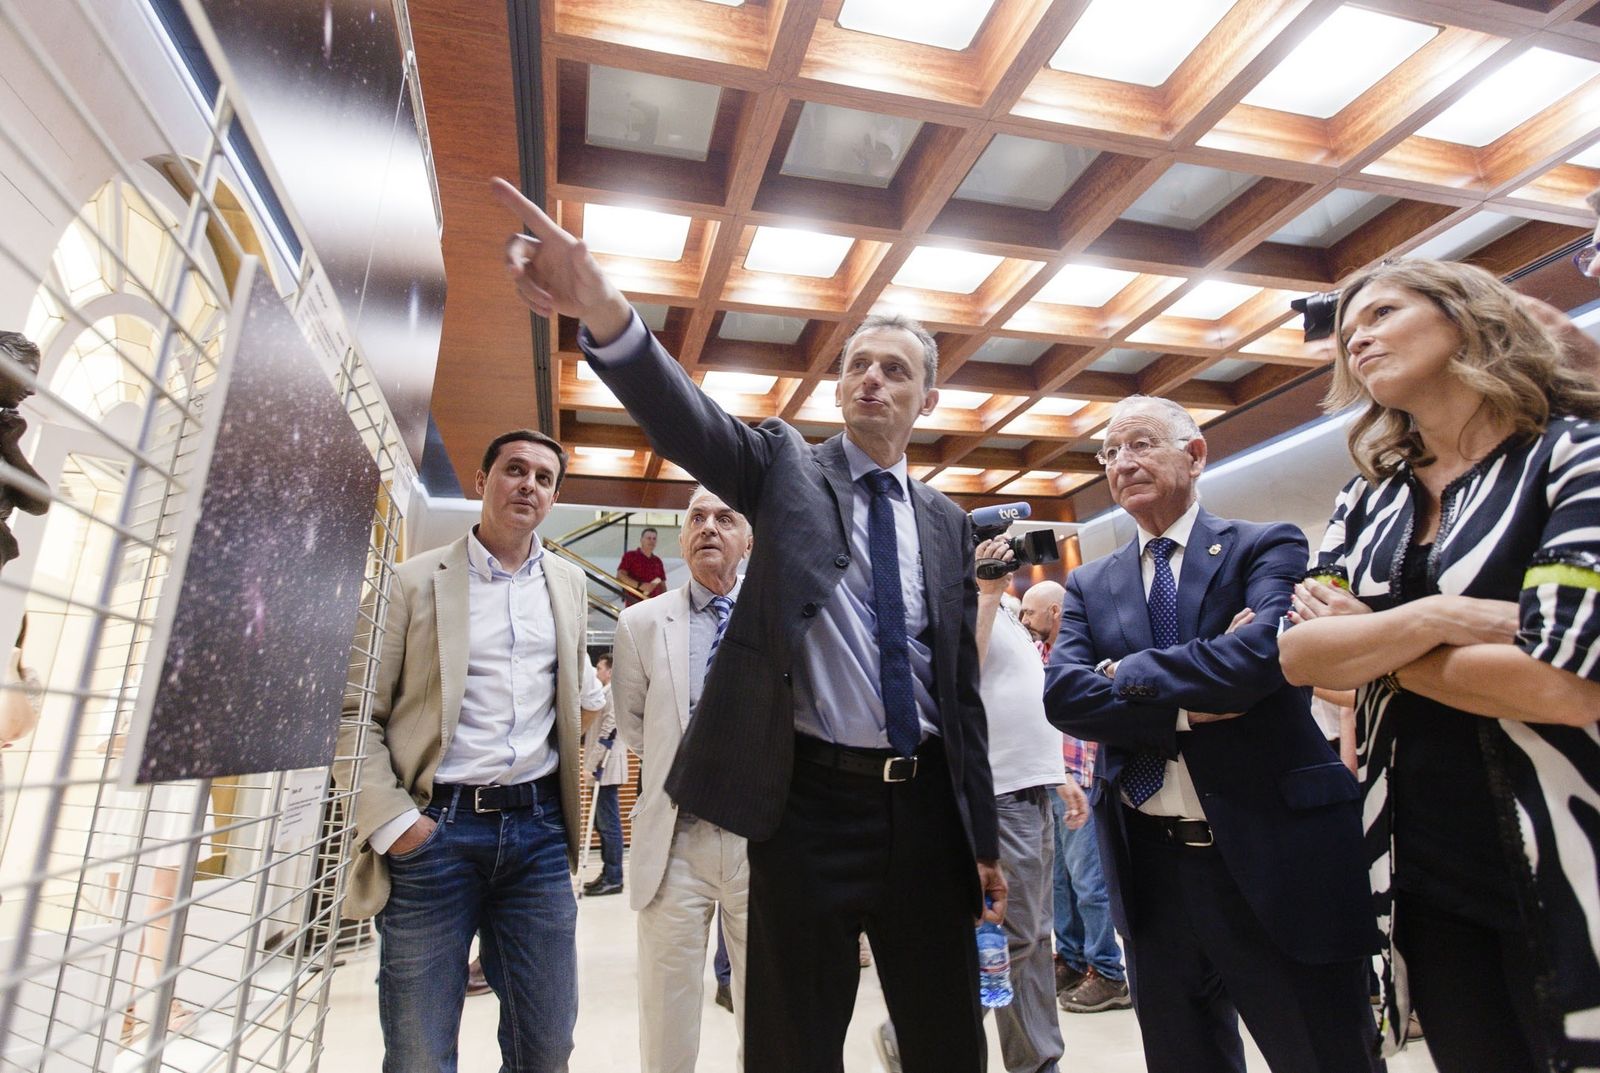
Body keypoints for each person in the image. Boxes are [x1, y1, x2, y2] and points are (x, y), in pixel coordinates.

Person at [494, 178, 1004, 1073]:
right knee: (791, 1043)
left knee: (947, 1038)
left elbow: (958, 694)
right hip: (809, 805)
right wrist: (608, 310)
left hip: (926, 810)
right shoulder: (785, 471)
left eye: (895, 369)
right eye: (859, 365)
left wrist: (983, 839)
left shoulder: (947, 524)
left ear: (927, 397)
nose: (871, 379)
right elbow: (687, 418)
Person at [1278, 258, 1600, 1072]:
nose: (1357, 336)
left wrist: (1377, 643)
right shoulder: (1370, 497)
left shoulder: (1572, 456)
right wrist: (1440, 618)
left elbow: (1562, 687)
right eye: (1349, 330)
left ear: (1466, 317)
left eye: (1382, 311)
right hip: (1418, 864)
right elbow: (1303, 656)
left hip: (1571, 851)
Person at [1043, 394, 1380, 1073]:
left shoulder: (1268, 543)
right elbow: (1064, 695)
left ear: (1194, 454)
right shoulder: (1088, 583)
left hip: (1272, 851)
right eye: (1110, 452)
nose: (1122, 462)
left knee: (1322, 1052)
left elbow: (1257, 663)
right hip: (1151, 870)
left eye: (1140, 443)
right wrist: (1185, 705)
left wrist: (1123, 670)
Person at [339, 428, 606, 1073]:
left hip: (539, 835)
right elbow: (353, 714)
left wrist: (590, 748)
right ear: (481, 482)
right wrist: (400, 826)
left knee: (546, 1046)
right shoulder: (410, 584)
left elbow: (582, 696)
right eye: (515, 470)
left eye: (545, 479)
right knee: (420, 1051)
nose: (530, 486)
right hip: (437, 836)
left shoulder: (568, 586)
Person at [877, 538, 1073, 1073]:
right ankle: (917, 1026)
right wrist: (985, 593)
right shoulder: (964, 602)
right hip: (1000, 790)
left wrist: (1059, 776)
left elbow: (1021, 695)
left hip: (1032, 785)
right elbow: (960, 677)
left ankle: (1036, 1060)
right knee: (1011, 935)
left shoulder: (1009, 608)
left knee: (1034, 936)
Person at [612, 485, 753, 1073]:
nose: (709, 528)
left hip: (761, 842)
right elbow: (638, 727)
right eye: (697, 517)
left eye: (726, 518)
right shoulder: (641, 622)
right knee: (667, 1014)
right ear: (680, 536)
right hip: (675, 841)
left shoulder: (776, 617)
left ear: (749, 540)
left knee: (770, 1011)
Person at [1018, 580, 1129, 1013]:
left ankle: (1108, 972)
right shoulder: (1038, 656)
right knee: (1060, 881)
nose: (1026, 621)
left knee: (1089, 882)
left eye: (1032, 613)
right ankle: (1072, 957)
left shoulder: (1087, 653)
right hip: (1052, 777)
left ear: (1056, 612)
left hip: (1083, 777)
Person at [0, 332, 50, 572]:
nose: (31, 390)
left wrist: (11, 448)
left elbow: (39, 503)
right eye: (27, 376)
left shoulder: (4, 431)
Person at [581, 652, 627, 896]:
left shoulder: (613, 693)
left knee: (609, 826)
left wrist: (593, 763)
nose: (597, 672)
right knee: (602, 824)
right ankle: (608, 873)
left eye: (600, 668)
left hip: (606, 768)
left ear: (609, 671)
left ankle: (614, 877)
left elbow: (610, 729)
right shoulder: (604, 692)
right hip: (601, 768)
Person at [618, 527, 667, 605]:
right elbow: (620, 576)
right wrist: (640, 585)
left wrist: (663, 603)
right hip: (635, 605)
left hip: (654, 607)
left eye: (654, 539)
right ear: (641, 540)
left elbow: (663, 585)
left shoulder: (658, 561)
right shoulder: (630, 556)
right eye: (649, 538)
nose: (652, 541)